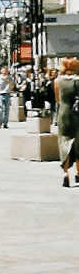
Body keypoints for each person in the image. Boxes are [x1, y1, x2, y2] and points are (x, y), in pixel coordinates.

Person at [54, 57, 79, 188]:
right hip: (77, 115)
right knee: (78, 142)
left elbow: (57, 99)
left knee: (64, 141)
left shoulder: (57, 81)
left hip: (63, 113)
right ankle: (78, 173)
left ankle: (65, 175)